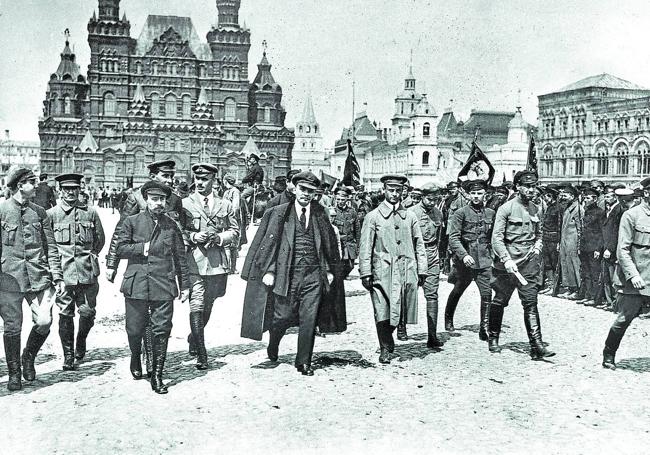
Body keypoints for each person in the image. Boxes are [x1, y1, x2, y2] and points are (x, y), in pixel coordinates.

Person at [240, 171, 342, 376]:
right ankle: (274, 341)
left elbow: (329, 245)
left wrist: (330, 270)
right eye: (302, 189)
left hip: (313, 274)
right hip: (286, 274)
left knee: (309, 318)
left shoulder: (321, 213)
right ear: (295, 189)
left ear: (315, 194)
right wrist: (268, 271)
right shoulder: (278, 213)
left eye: (310, 191)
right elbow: (267, 245)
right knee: (282, 316)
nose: (306, 194)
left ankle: (303, 361)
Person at [105, 159, 185, 377]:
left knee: (159, 325)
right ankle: (138, 355)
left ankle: (153, 365)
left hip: (162, 270)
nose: (170, 180)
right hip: (139, 269)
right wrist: (112, 264)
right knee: (137, 326)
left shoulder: (175, 200)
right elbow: (120, 232)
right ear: (153, 177)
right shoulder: (134, 197)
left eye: (171, 176)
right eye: (165, 176)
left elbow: (180, 233)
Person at [0, 168, 63, 391]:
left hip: (38, 276)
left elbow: (51, 246)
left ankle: (29, 356)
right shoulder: (2, 210)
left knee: (44, 321)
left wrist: (57, 275)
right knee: (12, 327)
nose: (36, 186)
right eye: (32, 182)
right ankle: (15, 373)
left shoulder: (39, 212)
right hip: (8, 280)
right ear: (19, 185)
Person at [358, 174, 428, 364]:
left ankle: (390, 340)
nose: (395, 194)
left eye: (398, 191)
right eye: (391, 190)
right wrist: (365, 272)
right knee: (382, 310)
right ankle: (385, 348)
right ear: (384, 191)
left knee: (401, 309)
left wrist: (422, 270)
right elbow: (365, 247)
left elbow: (419, 244)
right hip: (382, 272)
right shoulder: (372, 217)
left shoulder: (410, 217)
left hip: (406, 270)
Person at [488, 170, 555, 360]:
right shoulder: (506, 208)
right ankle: (493, 336)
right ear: (517, 186)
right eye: (527, 186)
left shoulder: (536, 208)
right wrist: (506, 259)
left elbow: (539, 232)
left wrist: (537, 246)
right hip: (507, 264)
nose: (531, 190)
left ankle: (537, 345)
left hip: (528, 263)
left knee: (530, 303)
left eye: (534, 186)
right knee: (500, 300)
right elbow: (497, 238)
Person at [183, 163, 239, 370]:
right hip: (194, 262)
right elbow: (178, 231)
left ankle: (193, 337)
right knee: (196, 304)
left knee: (209, 303)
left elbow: (235, 231)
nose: (199, 182)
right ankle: (202, 353)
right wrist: (193, 235)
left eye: (204, 179)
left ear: (213, 181)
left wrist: (219, 237)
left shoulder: (225, 205)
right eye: (197, 178)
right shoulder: (185, 204)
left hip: (217, 264)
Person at [48, 173, 105, 371]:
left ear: (80, 190)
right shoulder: (52, 214)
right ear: (60, 190)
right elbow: (50, 247)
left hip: (87, 272)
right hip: (64, 274)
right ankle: (69, 354)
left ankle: (81, 340)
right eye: (66, 189)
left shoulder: (90, 212)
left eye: (74, 188)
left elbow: (100, 240)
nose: (70, 192)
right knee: (65, 313)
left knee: (88, 313)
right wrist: (55, 274)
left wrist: (92, 256)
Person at [602, 177, 650, 369]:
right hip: (635, 278)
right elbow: (622, 250)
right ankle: (609, 353)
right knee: (625, 318)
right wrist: (633, 275)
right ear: (647, 193)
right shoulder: (631, 215)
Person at [445, 179, 495, 341]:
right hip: (465, 261)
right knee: (458, 289)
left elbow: (493, 237)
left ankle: (484, 328)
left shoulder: (491, 214)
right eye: (473, 193)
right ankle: (448, 317)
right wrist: (464, 255)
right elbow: (453, 237)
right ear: (468, 194)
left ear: (485, 195)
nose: (476, 196)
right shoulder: (461, 213)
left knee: (486, 293)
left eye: (479, 193)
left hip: (484, 260)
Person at [409, 182, 445, 348]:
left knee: (432, 295)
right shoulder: (412, 213)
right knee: (408, 293)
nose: (432, 202)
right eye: (429, 199)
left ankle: (432, 335)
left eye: (435, 199)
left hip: (431, 256)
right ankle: (402, 327)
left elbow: (439, 237)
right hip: (415, 257)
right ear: (422, 197)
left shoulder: (438, 213)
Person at [578, 187, 605, 306]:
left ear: (594, 199)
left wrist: (598, 249)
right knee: (586, 272)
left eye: (588, 198)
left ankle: (595, 298)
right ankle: (588, 295)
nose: (585, 200)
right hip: (585, 246)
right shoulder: (586, 211)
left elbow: (601, 232)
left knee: (594, 273)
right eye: (585, 198)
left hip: (594, 247)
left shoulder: (600, 212)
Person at [557, 185, 582, 299]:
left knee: (574, 266)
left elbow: (580, 228)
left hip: (573, 241)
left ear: (572, 196)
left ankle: (577, 289)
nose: (563, 197)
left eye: (565, 195)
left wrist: (579, 245)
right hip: (565, 240)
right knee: (566, 264)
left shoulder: (578, 209)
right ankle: (570, 287)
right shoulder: (567, 208)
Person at [331, 186, 360, 279]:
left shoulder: (352, 212)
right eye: (338, 199)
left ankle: (341, 277)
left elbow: (357, 229)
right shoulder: (332, 212)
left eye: (342, 199)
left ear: (347, 198)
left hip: (350, 244)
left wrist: (359, 244)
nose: (340, 201)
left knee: (351, 266)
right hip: (339, 244)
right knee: (340, 265)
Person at [539, 186, 562, 295]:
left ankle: (555, 287)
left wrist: (558, 241)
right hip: (546, 237)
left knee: (554, 262)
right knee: (547, 263)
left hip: (554, 238)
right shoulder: (549, 207)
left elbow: (559, 225)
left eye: (546, 196)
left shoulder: (558, 208)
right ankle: (550, 284)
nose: (545, 198)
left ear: (551, 196)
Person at [222, 173, 245, 274]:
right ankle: (231, 268)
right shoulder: (235, 191)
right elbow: (235, 208)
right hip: (233, 220)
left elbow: (234, 207)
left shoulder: (229, 192)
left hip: (228, 220)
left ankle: (228, 268)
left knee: (229, 244)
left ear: (226, 182)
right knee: (232, 245)